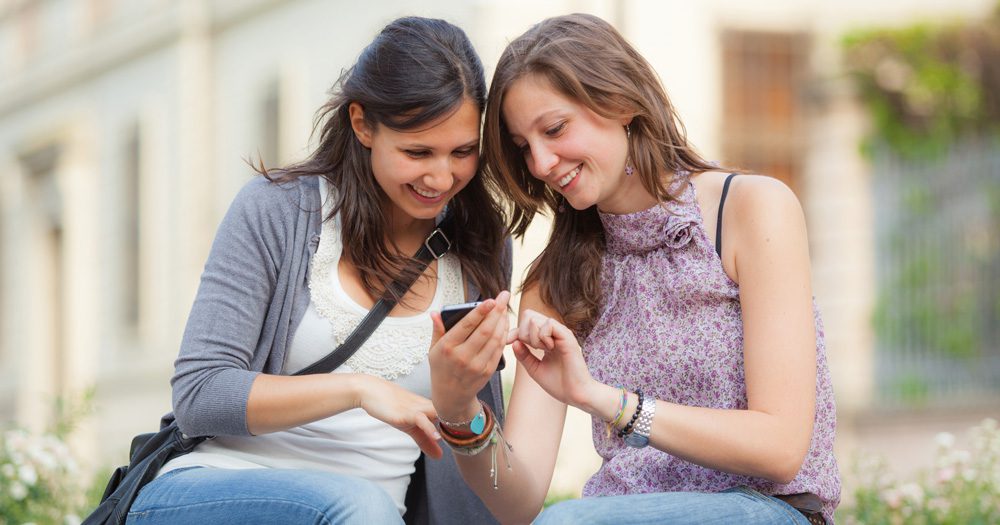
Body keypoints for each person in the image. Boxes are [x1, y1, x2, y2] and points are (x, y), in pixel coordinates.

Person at [429, 13, 840, 525]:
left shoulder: (750, 210)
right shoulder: (554, 282)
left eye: (554, 129)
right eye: (522, 147)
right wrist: (459, 409)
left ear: (620, 102)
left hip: (764, 510)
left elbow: (780, 446)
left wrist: (599, 398)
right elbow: (517, 503)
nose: (539, 163)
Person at [125, 16, 512, 525]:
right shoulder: (279, 212)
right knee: (357, 504)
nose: (442, 176)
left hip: (370, 512)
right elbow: (201, 393)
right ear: (362, 123)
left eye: (462, 152)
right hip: (216, 489)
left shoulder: (480, 244)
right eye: (418, 152)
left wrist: (467, 402)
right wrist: (358, 389)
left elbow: (488, 462)